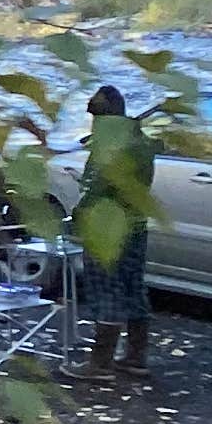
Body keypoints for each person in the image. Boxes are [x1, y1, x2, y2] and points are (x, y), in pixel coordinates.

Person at [75, 82, 157, 376]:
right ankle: (136, 356)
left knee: (105, 288)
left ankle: (100, 363)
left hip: (106, 229)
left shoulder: (109, 146)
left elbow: (95, 189)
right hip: (136, 225)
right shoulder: (141, 142)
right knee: (133, 287)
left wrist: (78, 216)